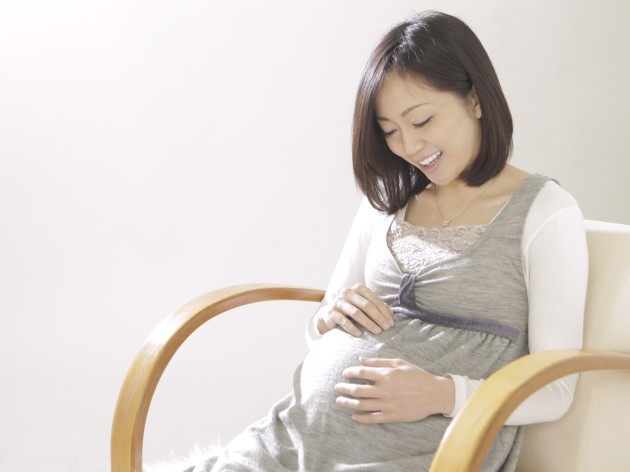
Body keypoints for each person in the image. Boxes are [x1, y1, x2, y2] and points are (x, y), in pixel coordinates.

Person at [158, 10, 588, 472]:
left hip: (416, 457)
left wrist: (443, 394)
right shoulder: (387, 201)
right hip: (292, 440)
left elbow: (556, 386)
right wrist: (330, 316)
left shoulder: (545, 212)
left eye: (422, 120)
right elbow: (318, 331)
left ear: (476, 99)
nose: (409, 147)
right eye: (390, 132)